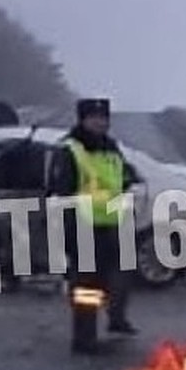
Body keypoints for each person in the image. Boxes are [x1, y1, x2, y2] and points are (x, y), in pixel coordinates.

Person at [47, 97, 141, 352]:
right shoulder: (71, 149)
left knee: (120, 276)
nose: (100, 122)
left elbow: (121, 177)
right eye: (94, 118)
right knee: (87, 284)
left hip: (113, 223)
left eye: (104, 118)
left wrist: (129, 180)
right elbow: (60, 190)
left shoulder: (111, 148)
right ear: (83, 120)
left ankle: (116, 319)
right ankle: (84, 338)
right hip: (83, 225)